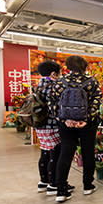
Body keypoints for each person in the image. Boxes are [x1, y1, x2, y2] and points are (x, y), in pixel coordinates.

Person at [50, 55, 102, 203]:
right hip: (87, 124)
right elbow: (96, 102)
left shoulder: (60, 82)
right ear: (85, 67)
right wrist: (85, 120)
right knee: (88, 152)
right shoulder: (91, 82)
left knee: (65, 153)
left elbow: (53, 104)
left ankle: (61, 191)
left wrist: (64, 120)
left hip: (66, 124)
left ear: (67, 67)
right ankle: (87, 185)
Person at [35, 60, 64, 195]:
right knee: (55, 154)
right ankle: (53, 184)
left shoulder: (38, 85)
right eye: (60, 73)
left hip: (39, 125)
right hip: (51, 125)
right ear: (53, 74)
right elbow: (56, 107)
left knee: (44, 152)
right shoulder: (53, 86)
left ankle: (43, 181)